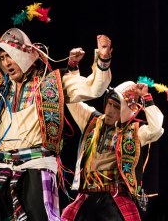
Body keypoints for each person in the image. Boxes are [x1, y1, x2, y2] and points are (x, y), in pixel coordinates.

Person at [0, 0, 113, 221]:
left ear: (25, 55)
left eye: (10, 55)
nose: (7, 62)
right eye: (2, 57)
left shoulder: (52, 84)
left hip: (37, 166)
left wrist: (103, 62)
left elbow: (94, 88)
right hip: (4, 166)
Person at [61, 80, 164, 221]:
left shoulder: (135, 131)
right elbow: (71, 98)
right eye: (109, 104)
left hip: (114, 198)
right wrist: (72, 68)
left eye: (116, 107)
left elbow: (156, 129)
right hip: (87, 195)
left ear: (125, 111)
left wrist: (146, 98)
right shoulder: (92, 120)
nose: (109, 110)